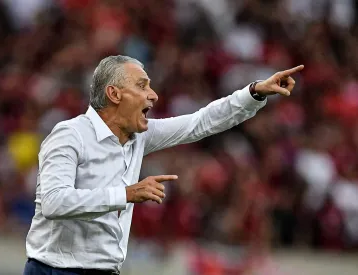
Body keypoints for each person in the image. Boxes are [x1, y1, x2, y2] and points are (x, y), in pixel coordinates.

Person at [23, 55, 304, 275]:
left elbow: (201, 122)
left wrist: (254, 93)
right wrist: (126, 194)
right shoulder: (69, 135)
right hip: (53, 271)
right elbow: (53, 202)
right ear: (114, 94)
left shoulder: (139, 137)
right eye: (142, 85)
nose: (153, 95)